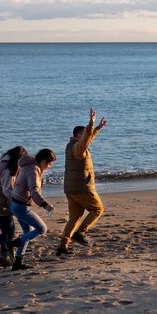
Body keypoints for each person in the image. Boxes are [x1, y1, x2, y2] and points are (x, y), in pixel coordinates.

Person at [57, 108, 107, 256]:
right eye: (84, 133)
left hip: (70, 188)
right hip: (82, 188)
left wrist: (96, 129)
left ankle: (62, 246)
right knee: (98, 209)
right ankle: (80, 233)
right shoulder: (78, 148)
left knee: (74, 217)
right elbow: (85, 140)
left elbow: (87, 140)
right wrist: (91, 123)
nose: (87, 135)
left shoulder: (72, 145)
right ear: (79, 135)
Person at [8, 149, 56, 270]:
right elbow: (34, 191)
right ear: (44, 161)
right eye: (49, 164)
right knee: (42, 229)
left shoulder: (29, 166)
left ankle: (18, 262)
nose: (49, 167)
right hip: (20, 206)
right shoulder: (33, 170)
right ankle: (13, 244)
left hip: (15, 203)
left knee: (28, 232)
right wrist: (45, 205)